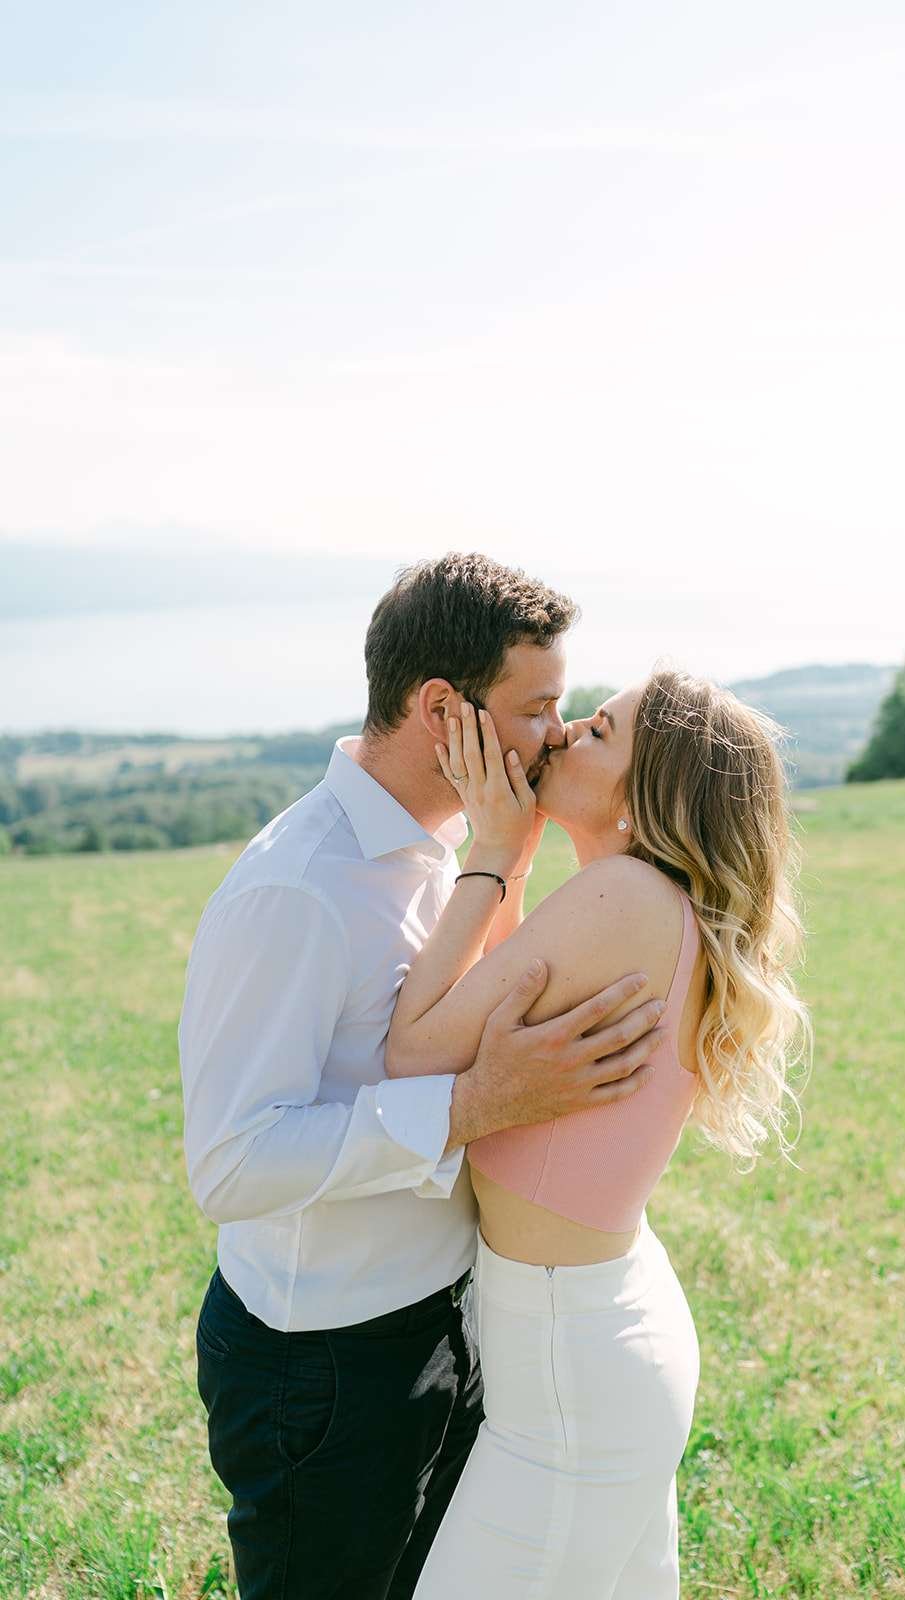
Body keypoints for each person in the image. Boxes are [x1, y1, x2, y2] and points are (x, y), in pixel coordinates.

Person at [179, 552, 667, 1600]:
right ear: (441, 706)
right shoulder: (296, 889)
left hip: (450, 1323)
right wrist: (472, 1106)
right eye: (536, 707)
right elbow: (231, 1162)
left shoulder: (459, 854)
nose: (553, 734)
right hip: (323, 1371)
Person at [384, 667, 813, 1598]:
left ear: (648, 790)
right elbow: (481, 1019)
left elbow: (415, 1053)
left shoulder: (623, 897)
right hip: (586, 1341)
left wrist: (492, 850)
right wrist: (516, 851)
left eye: (598, 732)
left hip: (569, 1373)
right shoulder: (641, 903)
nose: (564, 733)